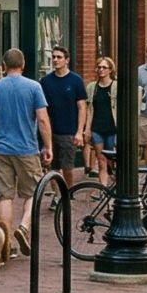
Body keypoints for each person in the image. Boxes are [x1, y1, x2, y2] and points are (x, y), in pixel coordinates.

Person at [0, 48, 53, 260]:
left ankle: (7, 245)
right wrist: (48, 145)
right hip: (26, 148)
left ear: (4, 66)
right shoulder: (34, 87)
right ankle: (23, 226)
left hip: (1, 149)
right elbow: (42, 119)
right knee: (32, 193)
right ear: (23, 65)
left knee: (4, 196)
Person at [38, 47, 89, 190]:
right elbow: (42, 109)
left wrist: (80, 131)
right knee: (51, 166)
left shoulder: (75, 81)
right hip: (50, 130)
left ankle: (69, 192)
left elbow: (82, 107)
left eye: (59, 57)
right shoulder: (45, 82)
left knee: (68, 167)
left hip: (69, 132)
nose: (55, 60)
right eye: (54, 57)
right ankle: (56, 195)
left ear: (67, 60)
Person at [88, 56, 117, 181]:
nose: (101, 70)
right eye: (99, 67)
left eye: (104, 67)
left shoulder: (116, 86)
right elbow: (90, 109)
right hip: (97, 128)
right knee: (101, 160)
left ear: (110, 70)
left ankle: (115, 181)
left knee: (111, 159)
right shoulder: (92, 87)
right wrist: (87, 129)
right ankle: (103, 189)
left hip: (112, 127)